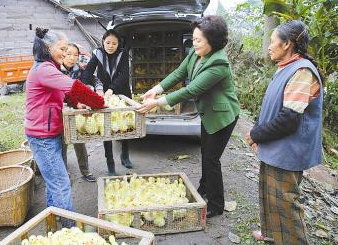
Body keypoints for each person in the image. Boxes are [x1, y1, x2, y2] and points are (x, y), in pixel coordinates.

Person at [138, 15, 240, 218]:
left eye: (198, 40)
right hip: (208, 112)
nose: (194, 44)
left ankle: (216, 204)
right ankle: (204, 188)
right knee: (205, 153)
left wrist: (157, 103)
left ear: (213, 41)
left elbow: (191, 90)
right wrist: (156, 89)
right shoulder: (196, 54)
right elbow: (179, 72)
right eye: (193, 39)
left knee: (212, 159)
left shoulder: (219, 64)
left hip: (222, 116)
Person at [245, 20, 323, 244]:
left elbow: (289, 119)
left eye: (273, 41)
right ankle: (272, 237)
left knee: (286, 203)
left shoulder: (301, 72)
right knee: (269, 197)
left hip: (288, 151)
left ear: (287, 43)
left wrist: (257, 134)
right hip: (276, 147)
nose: (269, 46)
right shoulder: (285, 69)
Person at [25, 28, 105, 214]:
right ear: (47, 47)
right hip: (43, 137)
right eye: (62, 49)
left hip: (51, 132)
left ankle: (55, 219)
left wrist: (76, 104)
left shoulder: (49, 67)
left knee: (55, 182)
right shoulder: (44, 69)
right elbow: (75, 87)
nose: (65, 53)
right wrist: (99, 102)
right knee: (60, 182)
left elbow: (62, 93)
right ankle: (67, 228)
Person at [81, 29, 133, 176]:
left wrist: (112, 88)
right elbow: (88, 72)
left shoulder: (123, 54)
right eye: (108, 42)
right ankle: (110, 162)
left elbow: (124, 75)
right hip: (103, 94)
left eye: (114, 43)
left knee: (125, 125)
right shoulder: (97, 54)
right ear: (103, 42)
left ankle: (125, 155)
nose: (110, 46)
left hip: (121, 92)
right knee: (106, 128)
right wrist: (86, 87)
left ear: (118, 44)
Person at [61, 43, 96, 182]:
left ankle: (85, 170)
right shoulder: (56, 70)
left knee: (79, 140)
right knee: (63, 142)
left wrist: (98, 89)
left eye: (75, 55)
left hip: (76, 110)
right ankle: (63, 173)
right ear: (63, 54)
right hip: (62, 111)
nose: (72, 58)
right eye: (69, 54)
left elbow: (94, 79)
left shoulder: (79, 70)